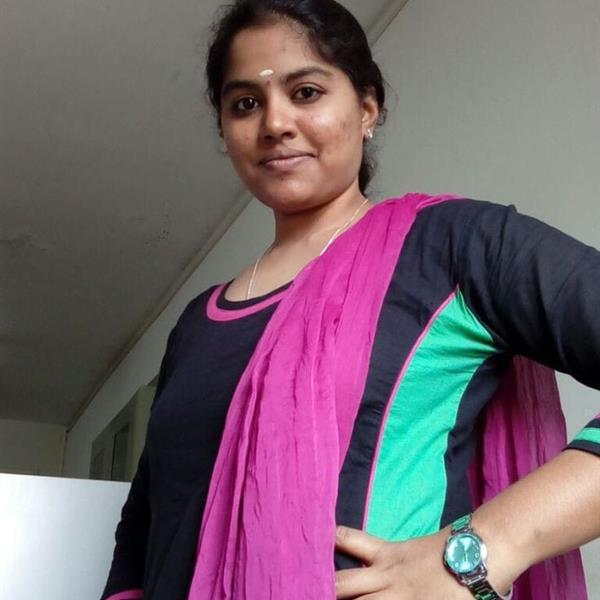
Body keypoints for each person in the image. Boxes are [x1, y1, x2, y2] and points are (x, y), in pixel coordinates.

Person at [101, 1, 600, 599]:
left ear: (367, 108)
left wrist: (486, 546)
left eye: (306, 92)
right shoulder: (196, 325)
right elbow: (146, 524)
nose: (274, 123)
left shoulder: (454, 246)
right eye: (246, 104)